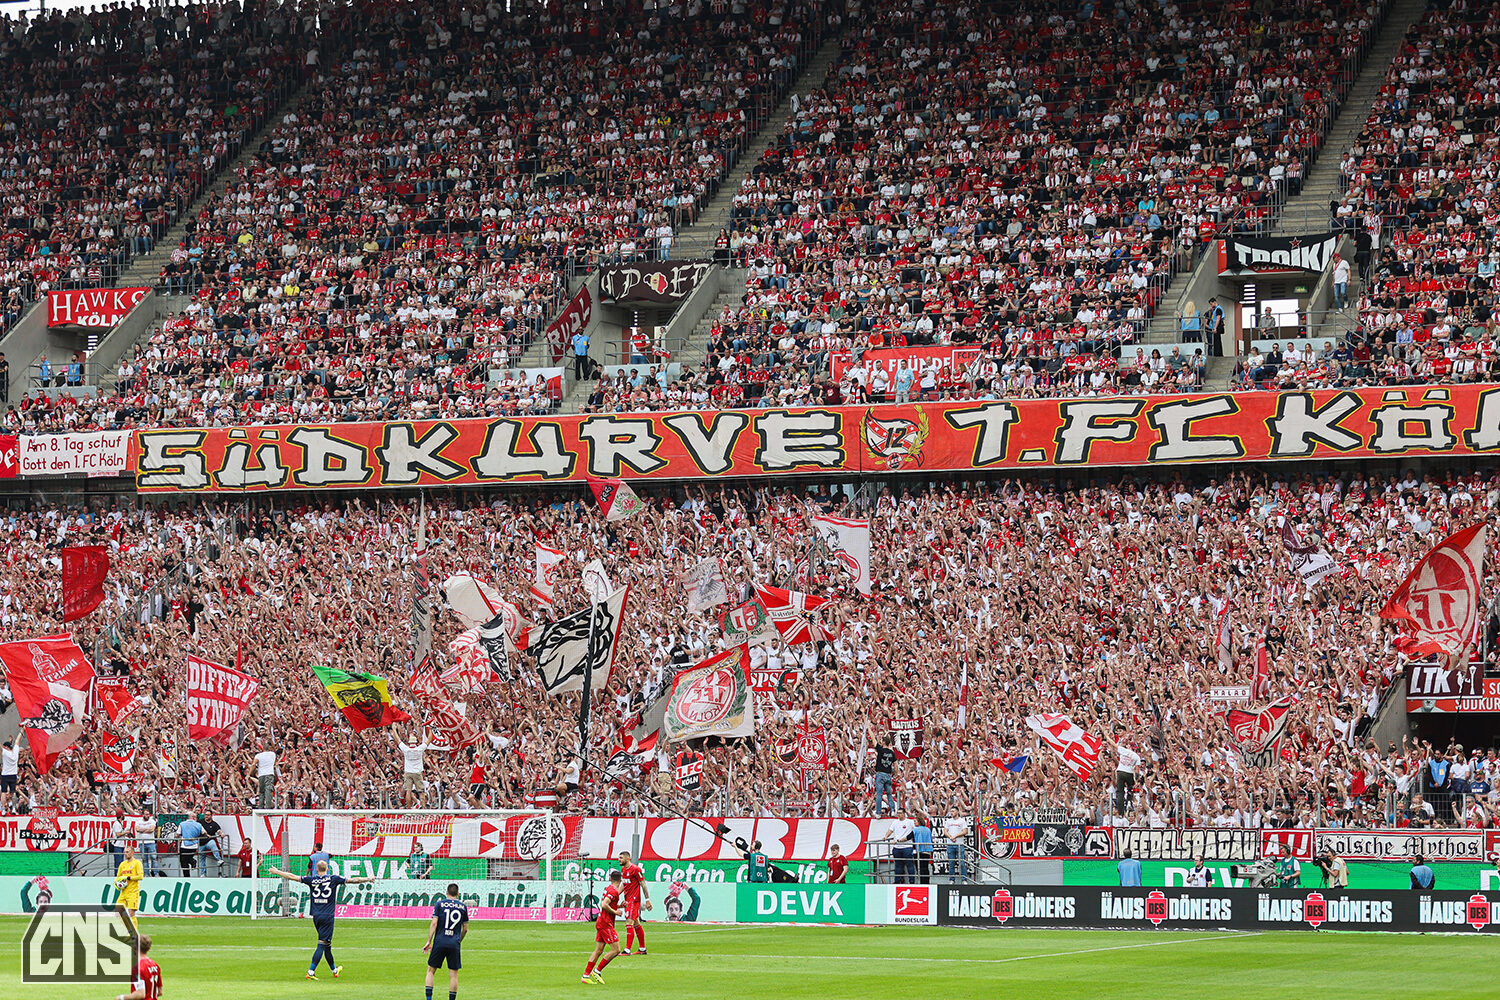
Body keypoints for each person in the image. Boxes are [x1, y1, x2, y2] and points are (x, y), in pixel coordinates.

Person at [268, 859, 376, 980]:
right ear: (327, 869)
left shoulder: (312, 879)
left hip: (316, 916)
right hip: (328, 916)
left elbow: (292, 876)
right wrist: (368, 878)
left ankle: (334, 970)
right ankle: (311, 971)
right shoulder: (334, 879)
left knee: (327, 944)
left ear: (316, 870)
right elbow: (353, 880)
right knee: (322, 944)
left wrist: (277, 871)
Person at [423, 882, 468, 1000]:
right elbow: (466, 929)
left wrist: (429, 941)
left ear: (446, 893)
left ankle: (429, 999)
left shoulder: (439, 904)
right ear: (458, 894)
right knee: (453, 975)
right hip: (454, 943)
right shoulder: (463, 907)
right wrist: (459, 940)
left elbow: (434, 923)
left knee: (430, 971)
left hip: (439, 941)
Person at [582, 869, 623, 985]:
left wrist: (620, 906)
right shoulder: (614, 891)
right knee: (616, 950)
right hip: (605, 923)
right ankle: (597, 970)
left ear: (611, 879)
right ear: (620, 880)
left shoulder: (608, 888)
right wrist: (616, 912)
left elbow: (609, 903)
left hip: (601, 921)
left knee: (599, 950)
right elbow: (604, 904)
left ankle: (585, 975)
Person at [618, 850, 651, 955]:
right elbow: (624, 883)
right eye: (619, 857)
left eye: (621, 858)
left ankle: (627, 950)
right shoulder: (623, 869)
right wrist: (616, 894)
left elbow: (643, 884)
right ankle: (642, 949)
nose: (619, 859)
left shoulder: (636, 869)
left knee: (629, 922)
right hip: (627, 899)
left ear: (628, 858)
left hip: (634, 899)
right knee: (636, 923)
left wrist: (647, 900)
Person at [114, 933, 161, 1000]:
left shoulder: (137, 967)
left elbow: (141, 994)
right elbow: (159, 991)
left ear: (135, 947)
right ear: (149, 949)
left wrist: (121, 998)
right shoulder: (155, 965)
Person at [398, 729, 430, 807]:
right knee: (421, 792)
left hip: (408, 772)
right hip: (418, 772)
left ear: (409, 743)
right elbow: (429, 740)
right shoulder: (419, 749)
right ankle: (423, 809)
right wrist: (431, 729)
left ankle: (409, 808)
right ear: (416, 742)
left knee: (408, 791)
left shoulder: (406, 749)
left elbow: (397, 740)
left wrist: (394, 730)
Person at [115, 842, 144, 924]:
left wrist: (128, 878)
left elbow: (140, 877)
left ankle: (134, 933)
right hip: (123, 892)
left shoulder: (137, 863)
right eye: (124, 852)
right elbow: (118, 877)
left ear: (132, 852)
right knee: (118, 912)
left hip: (133, 892)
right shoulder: (122, 864)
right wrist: (117, 884)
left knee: (131, 913)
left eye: (127, 852)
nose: (125, 854)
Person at [889, 815, 916, 884]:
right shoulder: (895, 822)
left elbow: (915, 831)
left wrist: (901, 840)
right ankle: (897, 881)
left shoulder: (910, 822)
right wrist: (886, 836)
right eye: (898, 813)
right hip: (897, 847)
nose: (899, 814)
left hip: (907, 846)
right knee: (898, 865)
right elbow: (890, 830)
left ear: (904, 813)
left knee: (909, 865)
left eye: (900, 813)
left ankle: (912, 881)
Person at [176, 813, 203, 877]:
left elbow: (177, 834)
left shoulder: (182, 824)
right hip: (194, 846)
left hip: (184, 845)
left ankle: (187, 876)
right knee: (187, 859)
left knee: (183, 861)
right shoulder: (199, 825)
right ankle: (192, 861)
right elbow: (204, 832)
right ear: (194, 817)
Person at [873, 743, 896, 816]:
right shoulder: (892, 753)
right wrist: (895, 773)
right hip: (888, 775)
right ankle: (892, 810)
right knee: (889, 794)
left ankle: (878, 812)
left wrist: (869, 731)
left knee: (879, 794)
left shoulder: (881, 750)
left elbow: (874, 741)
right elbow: (895, 764)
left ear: (883, 742)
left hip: (880, 774)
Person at [943, 816, 969, 882]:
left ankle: (964, 879)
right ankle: (952, 879)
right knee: (951, 863)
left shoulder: (962, 821)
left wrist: (955, 836)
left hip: (959, 844)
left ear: (957, 812)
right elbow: (945, 831)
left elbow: (965, 831)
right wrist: (951, 837)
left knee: (962, 863)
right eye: (951, 811)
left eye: (953, 811)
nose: (952, 812)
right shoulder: (948, 821)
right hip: (950, 844)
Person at [253, 745, 278, 809]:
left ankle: (260, 808)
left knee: (261, 792)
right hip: (269, 774)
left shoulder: (258, 755)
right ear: (269, 748)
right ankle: (268, 808)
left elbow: (253, 764)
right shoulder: (273, 754)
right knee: (268, 791)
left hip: (261, 775)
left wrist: (249, 774)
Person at [913, 815, 934, 883]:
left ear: (919, 822)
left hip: (919, 850)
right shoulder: (928, 829)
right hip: (927, 850)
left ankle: (922, 883)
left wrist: (899, 840)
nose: (914, 823)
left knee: (919, 868)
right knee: (925, 867)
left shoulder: (915, 829)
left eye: (915, 821)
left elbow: (908, 836)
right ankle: (927, 882)